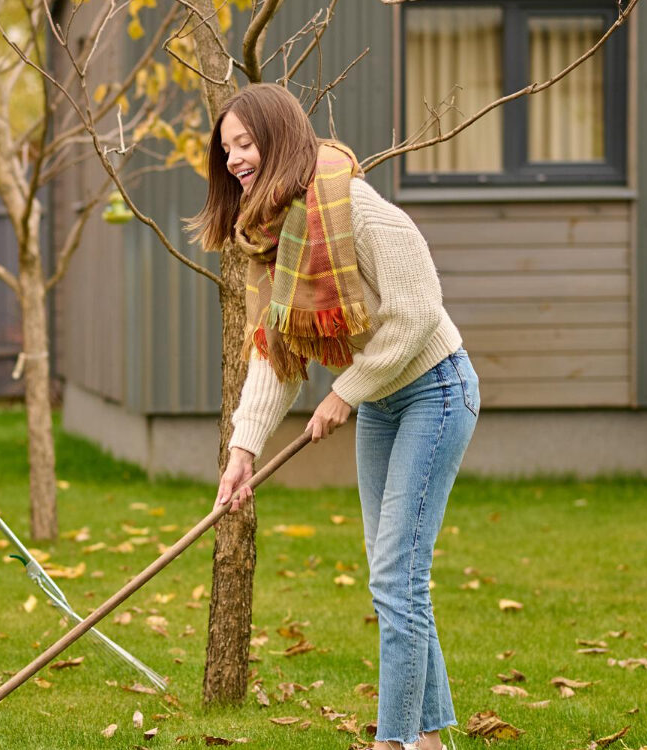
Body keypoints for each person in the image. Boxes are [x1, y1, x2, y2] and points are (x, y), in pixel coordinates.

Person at [195, 83, 478, 750]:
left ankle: (392, 743)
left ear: (281, 136)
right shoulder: (274, 237)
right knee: (394, 575)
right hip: (383, 402)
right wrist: (243, 452)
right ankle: (430, 742)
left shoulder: (354, 207)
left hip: (435, 391)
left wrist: (345, 390)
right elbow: (276, 353)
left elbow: (417, 311)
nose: (235, 159)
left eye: (246, 143)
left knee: (394, 578)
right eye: (227, 148)